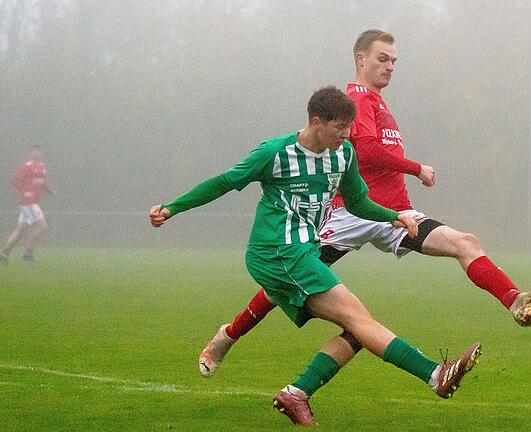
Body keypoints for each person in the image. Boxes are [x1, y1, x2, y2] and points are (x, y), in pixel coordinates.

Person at [198, 29, 531, 381]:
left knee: (464, 243)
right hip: (350, 215)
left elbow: (374, 151)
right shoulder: (356, 99)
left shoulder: (376, 101)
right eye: (382, 58)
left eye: (394, 60)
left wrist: (400, 203)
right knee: (282, 284)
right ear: (361, 59)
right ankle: (227, 337)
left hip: (393, 215)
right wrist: (416, 168)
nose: (390, 66)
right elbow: (369, 151)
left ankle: (517, 300)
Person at [149, 86, 482, 426]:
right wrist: (172, 208)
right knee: (359, 320)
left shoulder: (344, 154)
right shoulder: (276, 153)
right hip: (276, 254)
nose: (347, 134)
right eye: (340, 127)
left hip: (302, 254)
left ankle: (297, 393)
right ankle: (435, 375)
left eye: (349, 127)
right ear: (317, 122)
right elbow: (225, 182)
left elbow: (356, 203)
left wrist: (392, 216)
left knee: (357, 331)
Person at [1, 144, 54, 263]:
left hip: (33, 202)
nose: (38, 153)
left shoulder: (42, 167)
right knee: (42, 226)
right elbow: (14, 180)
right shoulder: (26, 166)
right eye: (36, 151)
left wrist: (50, 191)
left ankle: (4, 254)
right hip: (29, 202)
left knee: (20, 229)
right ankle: (28, 253)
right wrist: (24, 192)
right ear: (32, 153)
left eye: (40, 151)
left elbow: (42, 183)